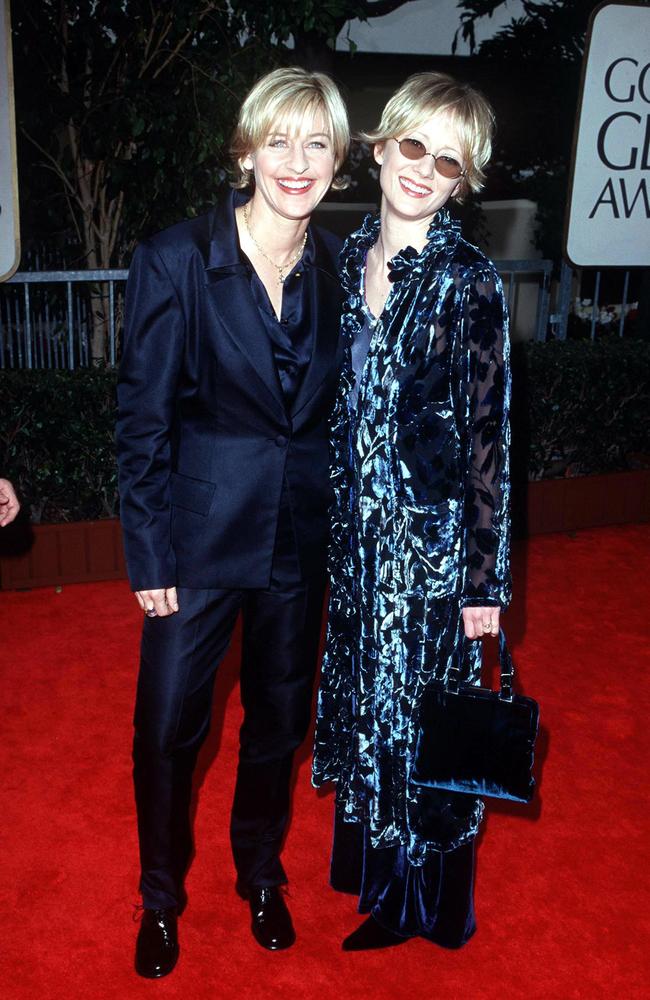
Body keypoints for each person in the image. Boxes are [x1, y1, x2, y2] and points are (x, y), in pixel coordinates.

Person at [116, 66, 350, 977]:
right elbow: (141, 420)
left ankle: (260, 872)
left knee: (279, 724)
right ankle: (161, 894)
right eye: (279, 141)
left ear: (337, 160)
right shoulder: (176, 258)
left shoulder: (339, 263)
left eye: (317, 143)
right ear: (246, 149)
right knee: (166, 726)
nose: (297, 162)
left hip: (298, 538)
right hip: (198, 541)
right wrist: (148, 551)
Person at [312, 72, 511, 951]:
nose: (426, 171)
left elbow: (489, 438)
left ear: (464, 182)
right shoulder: (346, 256)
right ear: (383, 146)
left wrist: (485, 581)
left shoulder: (470, 283)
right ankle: (376, 877)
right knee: (368, 707)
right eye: (415, 147)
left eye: (451, 162)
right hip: (357, 546)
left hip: (430, 555)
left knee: (420, 719)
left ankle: (425, 904)